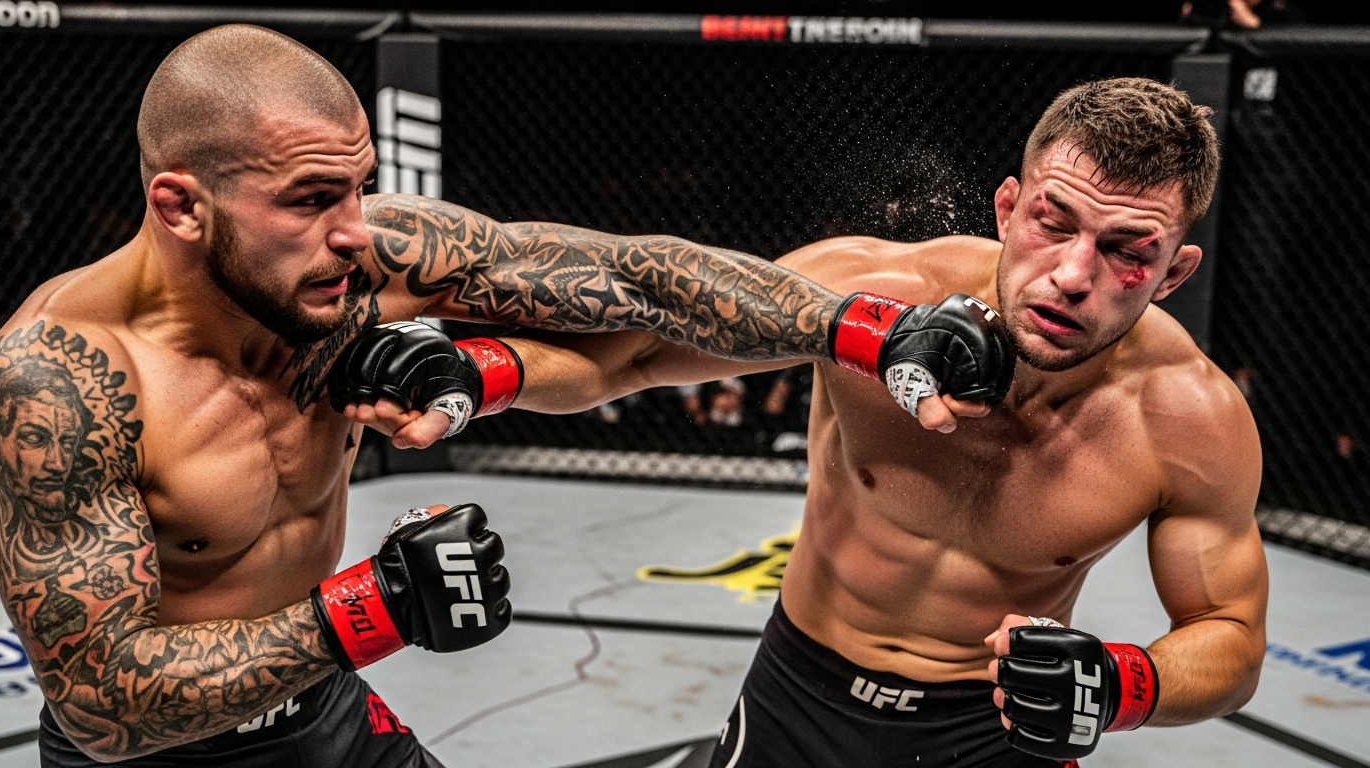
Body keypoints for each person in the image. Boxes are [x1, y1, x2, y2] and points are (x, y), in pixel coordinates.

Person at [0, 24, 1006, 767]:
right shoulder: (59, 382)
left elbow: (636, 279)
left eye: (358, 186)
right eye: (310, 199)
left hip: (324, 714)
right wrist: (373, 609)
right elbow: (100, 699)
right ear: (180, 206)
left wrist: (868, 329)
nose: (353, 229)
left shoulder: (363, 261)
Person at [360, 78, 1267, 766]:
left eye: (1126, 251)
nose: (1072, 274)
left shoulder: (1188, 419)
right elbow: (630, 356)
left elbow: (1230, 636)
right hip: (803, 694)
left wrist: (1123, 684)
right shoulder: (871, 290)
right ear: (1007, 208)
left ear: (1173, 274)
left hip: (994, 730)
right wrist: (477, 373)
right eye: (1052, 222)